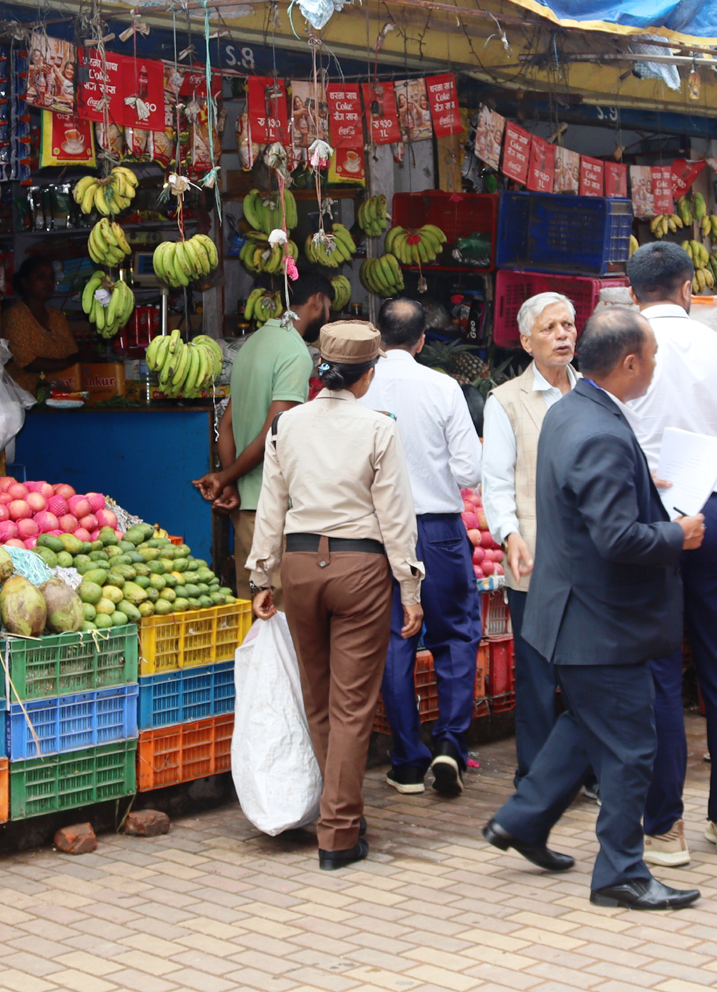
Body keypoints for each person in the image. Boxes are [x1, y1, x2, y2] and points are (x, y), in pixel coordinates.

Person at [480, 306, 705, 911]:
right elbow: (616, 538)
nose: (654, 366)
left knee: (584, 725)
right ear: (630, 363)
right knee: (631, 747)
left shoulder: (569, 411)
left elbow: (589, 507)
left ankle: (524, 820)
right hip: (600, 620)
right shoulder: (597, 427)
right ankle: (620, 873)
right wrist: (675, 535)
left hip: (575, 612)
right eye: (652, 357)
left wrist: (640, 491)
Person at [246, 321, 423, 871]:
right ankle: (339, 830)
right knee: (351, 706)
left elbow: (271, 505)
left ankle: (340, 810)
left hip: (299, 566)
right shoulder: (378, 428)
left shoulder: (287, 425)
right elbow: (396, 517)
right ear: (367, 374)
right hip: (360, 568)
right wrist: (410, 586)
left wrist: (261, 576)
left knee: (319, 698)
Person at [623, 241, 717, 866]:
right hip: (713, 510)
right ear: (687, 289)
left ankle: (665, 829)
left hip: (644, 518)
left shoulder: (613, 350)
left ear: (632, 293)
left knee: (656, 669)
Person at [360, 299, 483, 797]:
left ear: (378, 337)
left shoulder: (358, 389)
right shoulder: (444, 386)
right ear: (422, 340)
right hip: (439, 531)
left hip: (379, 535)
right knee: (456, 635)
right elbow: (470, 470)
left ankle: (408, 761)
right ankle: (450, 744)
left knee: (395, 642)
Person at [484, 292, 578, 781]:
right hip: (535, 558)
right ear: (525, 341)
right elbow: (496, 481)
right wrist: (508, 533)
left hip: (591, 558)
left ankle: (590, 773)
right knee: (538, 672)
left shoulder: (593, 392)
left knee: (588, 672)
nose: (563, 334)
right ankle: (538, 779)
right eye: (550, 328)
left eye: (568, 325)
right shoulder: (506, 402)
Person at [195, 273, 335, 597]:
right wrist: (226, 477)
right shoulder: (294, 353)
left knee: (254, 605)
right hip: (274, 508)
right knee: (281, 612)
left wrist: (231, 481)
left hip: (245, 505)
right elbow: (278, 432)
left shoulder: (252, 344)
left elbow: (225, 428)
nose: (328, 315)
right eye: (328, 306)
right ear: (316, 301)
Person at [0, 257, 80, 393]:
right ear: (25, 282)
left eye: (51, 277)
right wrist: (67, 363)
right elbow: (28, 363)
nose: (48, 282)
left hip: (59, 395)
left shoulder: (56, 315)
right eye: (41, 276)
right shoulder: (15, 315)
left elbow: (73, 354)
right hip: (24, 397)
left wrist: (74, 360)